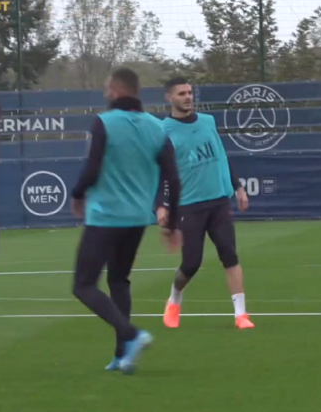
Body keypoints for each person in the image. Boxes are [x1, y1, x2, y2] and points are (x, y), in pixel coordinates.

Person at [69, 67, 182, 374]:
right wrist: (173, 224)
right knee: (119, 280)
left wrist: (76, 193)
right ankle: (122, 355)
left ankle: (132, 335)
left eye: (108, 89)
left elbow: (91, 169)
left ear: (117, 91)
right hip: (135, 219)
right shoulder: (157, 128)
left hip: (106, 216)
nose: (106, 94)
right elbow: (173, 176)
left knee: (83, 284)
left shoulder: (103, 122)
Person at [157, 77, 254, 329]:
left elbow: (221, 156)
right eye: (181, 93)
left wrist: (238, 186)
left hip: (218, 201)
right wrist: (161, 205)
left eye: (190, 92)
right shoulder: (163, 131)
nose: (188, 97)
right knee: (191, 263)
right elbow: (160, 172)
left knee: (229, 255)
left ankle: (241, 315)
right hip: (189, 205)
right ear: (170, 97)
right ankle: (174, 299)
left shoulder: (208, 122)